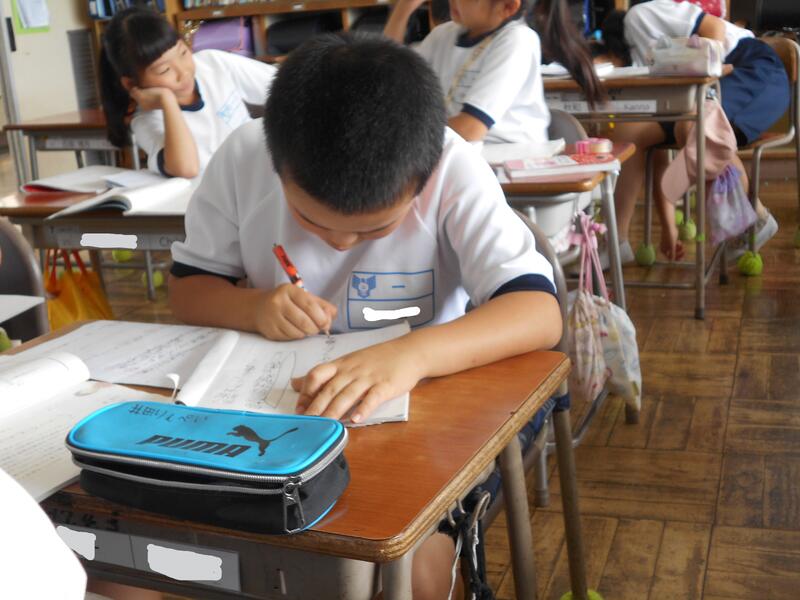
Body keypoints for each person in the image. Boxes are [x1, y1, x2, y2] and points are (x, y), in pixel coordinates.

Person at [168, 33, 561, 599]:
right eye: (310, 220)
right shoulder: (244, 156)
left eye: (374, 229)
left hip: (421, 419)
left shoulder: (452, 164)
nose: (339, 243)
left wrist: (410, 357)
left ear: (422, 179)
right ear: (277, 166)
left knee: (418, 571)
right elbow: (188, 292)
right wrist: (250, 307)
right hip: (278, 418)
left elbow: (538, 311)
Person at [599, 0, 788, 260]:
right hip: (697, 99)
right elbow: (658, 158)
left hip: (751, 69)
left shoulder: (638, 16)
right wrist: (669, 227)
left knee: (694, 123)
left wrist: (707, 84)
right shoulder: (635, 68)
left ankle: (754, 217)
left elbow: (713, 27)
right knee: (629, 132)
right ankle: (615, 243)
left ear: (608, 48)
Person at [383, 0, 603, 145]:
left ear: (507, 6)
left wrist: (402, 136)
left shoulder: (518, 40)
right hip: (459, 154)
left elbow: (471, 129)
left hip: (510, 166)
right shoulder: (443, 35)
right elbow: (387, 74)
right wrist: (403, 10)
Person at [99, 7, 276, 179]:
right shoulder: (147, 121)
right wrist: (168, 102)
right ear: (130, 83)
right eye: (164, 70)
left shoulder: (212, 63)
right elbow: (187, 168)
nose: (183, 72)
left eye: (183, 53)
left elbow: (283, 86)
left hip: (264, 173)